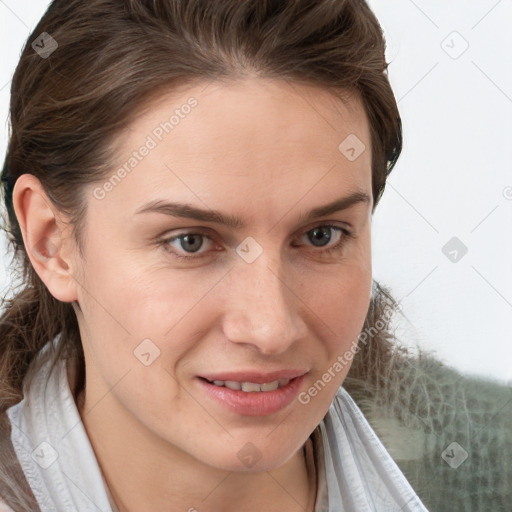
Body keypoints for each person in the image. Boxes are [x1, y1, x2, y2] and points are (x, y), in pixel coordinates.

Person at [0, 1, 509, 511]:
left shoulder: (489, 468)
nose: (271, 329)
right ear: (52, 242)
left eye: (321, 235)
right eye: (190, 242)